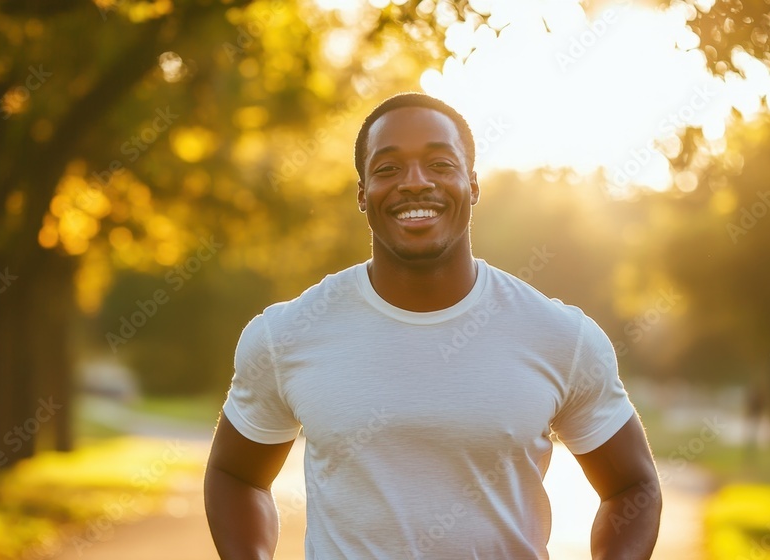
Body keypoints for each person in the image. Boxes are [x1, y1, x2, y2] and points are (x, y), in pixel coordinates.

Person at [204, 92, 662, 559]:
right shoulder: (287, 335)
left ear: (473, 184)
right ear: (363, 194)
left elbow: (632, 486)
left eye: (440, 164)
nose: (415, 183)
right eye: (387, 169)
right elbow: (236, 476)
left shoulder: (561, 336)